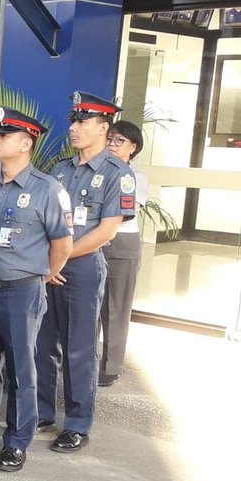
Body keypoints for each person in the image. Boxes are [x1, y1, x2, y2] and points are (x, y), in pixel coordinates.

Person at [0, 108, 73, 472]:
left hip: (22, 292)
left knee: (22, 369)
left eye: (3, 136)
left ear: (25, 143)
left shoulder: (47, 189)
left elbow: (63, 244)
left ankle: (18, 440)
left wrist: (42, 274)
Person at [36, 92, 135, 452]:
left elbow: (106, 231)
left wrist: (58, 261)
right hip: (49, 269)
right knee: (42, 343)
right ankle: (42, 412)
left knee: (80, 347)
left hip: (80, 268)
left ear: (103, 127)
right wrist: (46, 262)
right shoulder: (60, 170)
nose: (74, 128)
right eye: (73, 121)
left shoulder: (117, 174)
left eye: (82, 122)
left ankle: (77, 423)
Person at [99, 120, 148, 388]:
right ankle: (83, 361)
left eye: (120, 141)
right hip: (90, 243)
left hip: (122, 244)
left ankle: (111, 366)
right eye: (110, 139)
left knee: (116, 307)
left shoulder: (135, 176)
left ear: (133, 147)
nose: (113, 145)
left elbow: (127, 209)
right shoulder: (94, 171)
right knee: (90, 308)